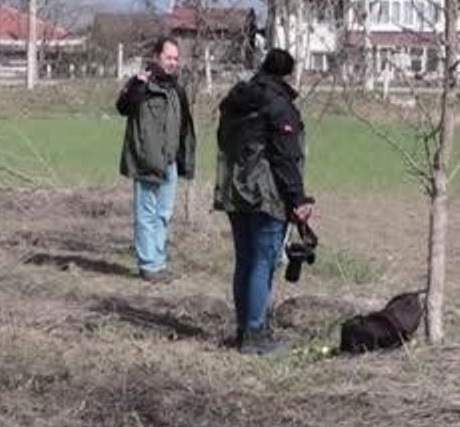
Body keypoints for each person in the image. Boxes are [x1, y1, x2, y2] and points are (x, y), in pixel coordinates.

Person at [213, 48, 313, 354]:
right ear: (287, 73)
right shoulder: (278, 104)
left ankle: (245, 329)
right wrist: (298, 198)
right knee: (263, 262)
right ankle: (257, 336)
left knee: (245, 261)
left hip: (233, 190)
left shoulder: (236, 99)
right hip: (265, 194)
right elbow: (286, 156)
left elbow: (223, 141)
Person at [116, 36, 196, 282]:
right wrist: (137, 86)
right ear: (156, 56)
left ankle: (159, 262)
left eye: (175, 58)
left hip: (170, 162)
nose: (173, 63)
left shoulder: (176, 89)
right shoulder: (142, 84)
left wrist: (185, 159)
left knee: (163, 214)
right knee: (146, 215)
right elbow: (123, 107)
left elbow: (184, 127)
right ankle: (148, 264)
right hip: (147, 162)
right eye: (168, 57)